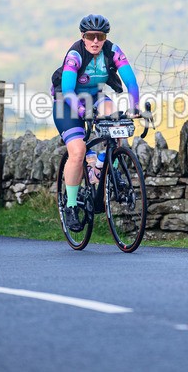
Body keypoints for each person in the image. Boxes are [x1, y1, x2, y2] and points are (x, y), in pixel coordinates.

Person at [51, 14, 140, 231]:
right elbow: (69, 91)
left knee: (117, 121)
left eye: (100, 36)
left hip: (95, 96)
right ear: (83, 37)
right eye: (91, 36)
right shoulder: (75, 55)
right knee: (78, 151)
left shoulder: (113, 51)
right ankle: (71, 205)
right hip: (67, 101)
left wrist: (134, 105)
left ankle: (106, 165)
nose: (95, 41)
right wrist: (83, 111)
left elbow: (131, 81)